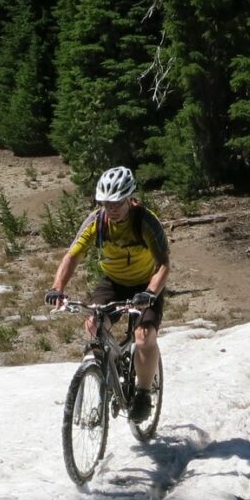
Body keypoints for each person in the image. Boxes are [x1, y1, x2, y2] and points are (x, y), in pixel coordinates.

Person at [45, 165, 170, 419]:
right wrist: (57, 287)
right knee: (93, 325)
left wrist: (150, 293)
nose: (110, 209)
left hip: (146, 284)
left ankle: (144, 393)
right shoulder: (97, 222)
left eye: (116, 203)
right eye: (105, 203)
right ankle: (107, 369)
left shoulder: (146, 221)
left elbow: (164, 265)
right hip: (113, 282)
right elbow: (72, 256)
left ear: (129, 198)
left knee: (144, 336)